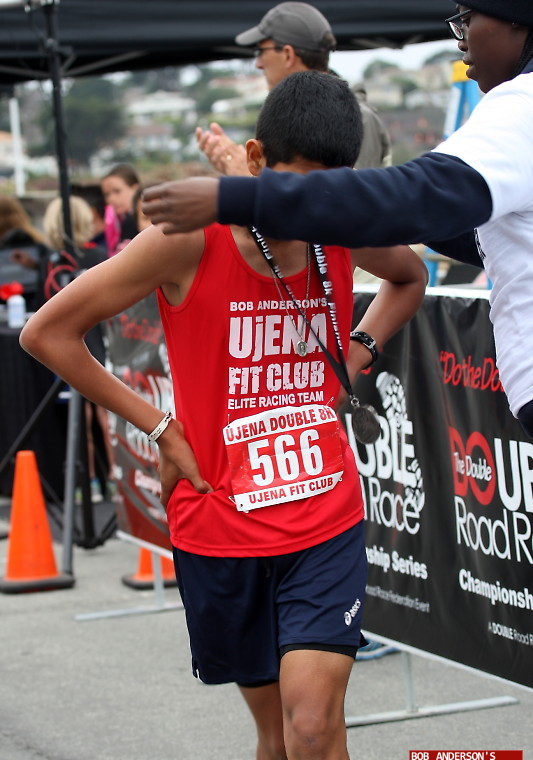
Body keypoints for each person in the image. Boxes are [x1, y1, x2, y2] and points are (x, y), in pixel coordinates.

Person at [21, 72, 427, 760]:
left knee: (313, 729)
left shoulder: (339, 224)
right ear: (256, 158)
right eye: (294, 189)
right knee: (276, 738)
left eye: (324, 194)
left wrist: (356, 353)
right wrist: (160, 427)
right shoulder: (185, 242)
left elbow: (409, 276)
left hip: (323, 514)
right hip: (220, 522)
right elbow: (47, 333)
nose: (306, 213)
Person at [142, 1, 533, 441]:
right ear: (256, 157)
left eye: (467, 18)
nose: (459, 38)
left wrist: (236, 196)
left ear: (515, 16)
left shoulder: (521, 104)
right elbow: (470, 230)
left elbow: (417, 202)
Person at [195, 1, 391, 176]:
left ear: (288, 54)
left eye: (261, 51)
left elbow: (345, 199)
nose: (258, 64)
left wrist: (245, 173)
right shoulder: (306, 112)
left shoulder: (355, 118)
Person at [43, 195, 116, 502]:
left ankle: (96, 480)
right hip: (95, 338)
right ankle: (111, 478)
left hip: (76, 341)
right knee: (102, 413)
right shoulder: (93, 255)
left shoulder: (54, 260)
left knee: (88, 415)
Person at [100, 163, 140, 256]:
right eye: (107, 195)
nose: (111, 199)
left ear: (135, 188)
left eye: (117, 191)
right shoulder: (116, 224)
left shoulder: (134, 221)